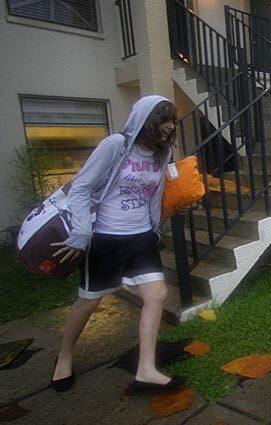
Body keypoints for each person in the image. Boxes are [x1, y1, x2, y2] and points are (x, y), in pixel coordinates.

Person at [50, 95, 185, 392]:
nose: (169, 126)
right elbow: (81, 188)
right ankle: (65, 355)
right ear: (147, 119)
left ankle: (146, 369)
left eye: (172, 120)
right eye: (164, 119)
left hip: (141, 238)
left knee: (157, 294)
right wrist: (83, 232)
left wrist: (173, 207)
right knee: (89, 302)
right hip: (105, 239)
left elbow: (155, 194)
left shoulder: (163, 153)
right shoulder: (116, 145)